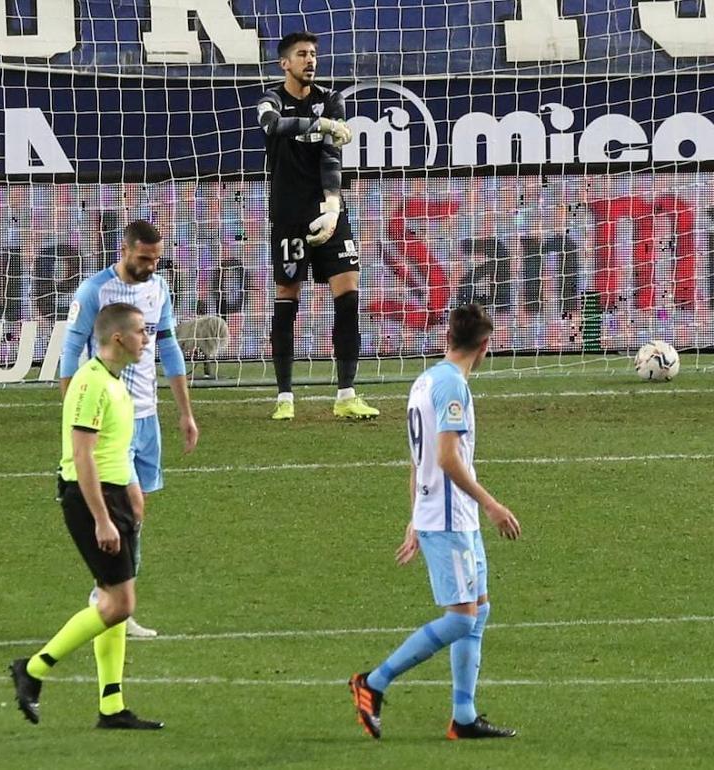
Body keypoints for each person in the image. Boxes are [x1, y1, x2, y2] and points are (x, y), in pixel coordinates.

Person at [348, 303, 522, 740]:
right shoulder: (452, 388)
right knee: (463, 618)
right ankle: (374, 682)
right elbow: (444, 457)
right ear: (484, 347)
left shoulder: (425, 380)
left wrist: (413, 517)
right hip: (450, 516)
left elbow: (416, 459)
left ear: (449, 336)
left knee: (478, 609)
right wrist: (491, 505)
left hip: (442, 513)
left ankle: (463, 717)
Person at [10, 303, 163, 730]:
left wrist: (133, 491)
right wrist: (102, 518)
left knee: (112, 599)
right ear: (118, 338)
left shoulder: (115, 382)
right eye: (140, 332)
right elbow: (82, 456)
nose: (146, 340)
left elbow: (115, 449)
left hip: (114, 496)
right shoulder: (91, 384)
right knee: (119, 603)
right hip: (89, 499)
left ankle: (111, 707)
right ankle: (34, 669)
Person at [60, 219, 199, 638]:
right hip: (108, 418)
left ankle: (114, 594)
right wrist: (73, 416)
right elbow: (70, 352)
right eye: (144, 258)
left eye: (156, 259)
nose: (151, 266)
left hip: (146, 415)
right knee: (124, 510)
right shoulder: (94, 292)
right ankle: (109, 595)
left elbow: (169, 346)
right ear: (125, 250)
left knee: (137, 512)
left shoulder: (159, 290)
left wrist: (185, 412)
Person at [255, 30, 379, 421]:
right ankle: (285, 398)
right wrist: (320, 125)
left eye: (313, 54)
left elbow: (331, 157)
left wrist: (332, 204)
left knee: (349, 290)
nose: (310, 60)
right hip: (288, 214)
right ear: (284, 63)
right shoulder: (270, 99)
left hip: (327, 211)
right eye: (302, 55)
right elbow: (274, 126)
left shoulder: (331, 99)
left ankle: (346, 393)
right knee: (288, 295)